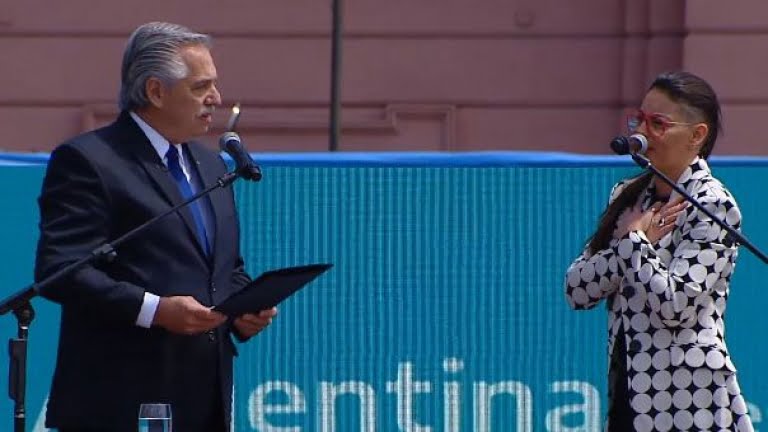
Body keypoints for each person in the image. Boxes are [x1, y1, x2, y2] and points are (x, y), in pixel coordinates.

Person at [34, 22, 277, 432]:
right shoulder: (90, 161)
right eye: (200, 87)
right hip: (120, 401)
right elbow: (61, 270)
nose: (216, 98)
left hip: (204, 401)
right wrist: (155, 311)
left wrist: (242, 308)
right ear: (155, 91)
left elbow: (223, 268)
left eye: (214, 85)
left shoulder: (211, 165)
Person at [564, 71, 754, 431]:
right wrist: (633, 241)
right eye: (639, 120)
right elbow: (577, 289)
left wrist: (635, 242)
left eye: (657, 124)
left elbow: (675, 305)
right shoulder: (629, 197)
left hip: (689, 400)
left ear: (697, 135)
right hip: (629, 395)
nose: (641, 133)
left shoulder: (712, 204)